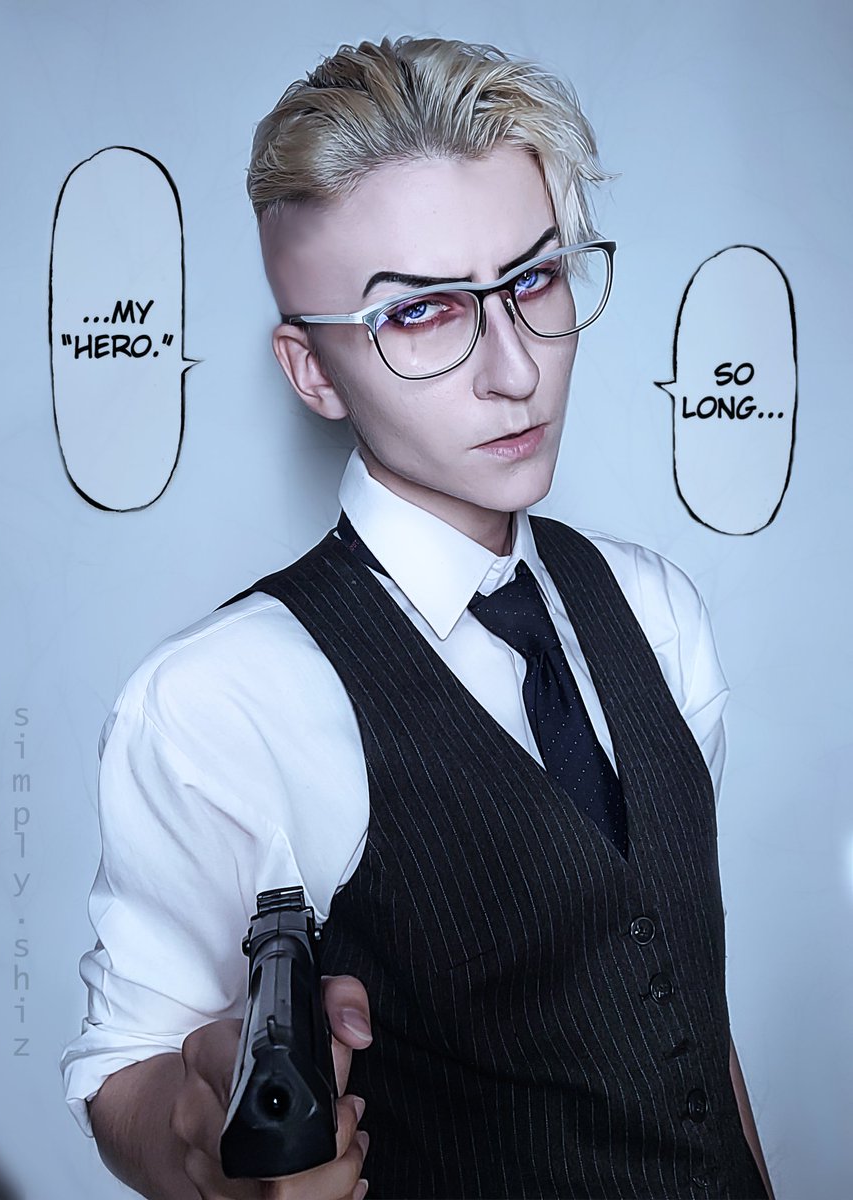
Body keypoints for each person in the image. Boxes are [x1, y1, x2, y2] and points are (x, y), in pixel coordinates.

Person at [61, 35, 774, 1200]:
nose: (514, 370)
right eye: (424, 313)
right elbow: (126, 1072)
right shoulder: (222, 698)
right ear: (313, 371)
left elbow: (689, 1021)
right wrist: (203, 1142)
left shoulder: (656, 610)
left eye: (533, 280)